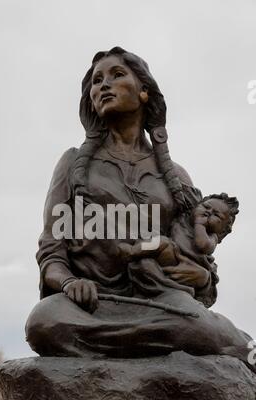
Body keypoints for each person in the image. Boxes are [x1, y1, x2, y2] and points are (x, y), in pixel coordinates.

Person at [25, 47, 254, 371]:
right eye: (96, 80)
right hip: (91, 307)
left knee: (193, 321)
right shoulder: (73, 163)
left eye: (117, 75)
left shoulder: (175, 178)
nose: (103, 85)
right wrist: (68, 284)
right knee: (44, 321)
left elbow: (203, 272)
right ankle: (184, 349)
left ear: (144, 91)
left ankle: (210, 341)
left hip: (162, 301)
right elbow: (52, 252)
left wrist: (201, 278)